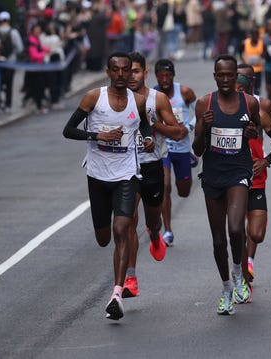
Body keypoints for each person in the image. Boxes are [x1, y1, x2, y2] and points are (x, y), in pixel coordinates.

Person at [63, 52, 154, 321]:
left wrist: (148, 140)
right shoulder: (94, 98)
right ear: (108, 72)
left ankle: (116, 293)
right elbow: (68, 130)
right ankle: (117, 285)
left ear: (130, 72)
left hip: (127, 174)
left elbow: (147, 128)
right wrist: (97, 135)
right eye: (116, 69)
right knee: (104, 238)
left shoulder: (138, 102)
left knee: (122, 229)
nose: (121, 74)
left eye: (126, 70)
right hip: (98, 175)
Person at [193, 54, 260, 315]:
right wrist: (203, 127)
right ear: (214, 76)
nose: (225, 80)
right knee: (218, 239)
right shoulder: (204, 104)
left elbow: (255, 133)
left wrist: (252, 134)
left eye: (229, 75)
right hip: (212, 175)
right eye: (220, 75)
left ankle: (238, 272)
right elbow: (197, 150)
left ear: (236, 77)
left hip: (239, 172)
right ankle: (226, 288)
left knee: (235, 228)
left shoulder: (250, 103)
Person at [123, 51, 188, 298]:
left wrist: (153, 126)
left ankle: (154, 234)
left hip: (152, 166)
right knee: (127, 221)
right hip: (125, 170)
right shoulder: (114, 100)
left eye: (136, 71)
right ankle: (130, 278)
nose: (130, 76)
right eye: (126, 71)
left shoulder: (157, 99)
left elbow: (179, 132)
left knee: (152, 221)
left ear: (144, 73)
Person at [235, 63, 271, 296]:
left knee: (256, 233)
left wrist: (265, 160)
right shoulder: (219, 109)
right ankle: (242, 277)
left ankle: (248, 261)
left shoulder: (261, 110)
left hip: (256, 177)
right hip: (232, 178)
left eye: (241, 87)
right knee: (236, 229)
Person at [154, 58, 197, 246]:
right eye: (161, 76)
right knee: (164, 186)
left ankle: (189, 158)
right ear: (156, 77)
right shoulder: (152, 94)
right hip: (162, 147)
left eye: (168, 75)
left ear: (173, 76)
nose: (164, 79)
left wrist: (189, 127)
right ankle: (168, 230)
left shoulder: (185, 92)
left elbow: (201, 114)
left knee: (184, 191)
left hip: (182, 146)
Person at [0, 11, 24, 113]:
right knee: (9, 84)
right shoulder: (14, 32)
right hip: (11, 62)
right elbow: (20, 48)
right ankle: (8, 105)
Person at [241, 26, 265, 96]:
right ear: (250, 34)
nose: (255, 36)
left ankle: (256, 103)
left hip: (258, 70)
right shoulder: (245, 42)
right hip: (248, 71)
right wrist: (243, 60)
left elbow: (266, 54)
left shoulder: (262, 43)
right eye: (253, 34)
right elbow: (239, 51)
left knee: (257, 90)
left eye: (256, 34)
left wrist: (263, 55)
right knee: (247, 89)